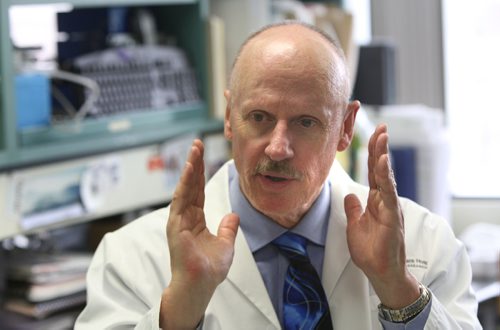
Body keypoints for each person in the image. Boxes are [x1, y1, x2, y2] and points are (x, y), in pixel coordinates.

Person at [75, 21, 481, 329]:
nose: (277, 147)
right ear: (230, 119)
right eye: (259, 118)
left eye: (306, 122)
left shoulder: (424, 241)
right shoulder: (130, 256)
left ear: (344, 127)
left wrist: (398, 290)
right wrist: (180, 308)